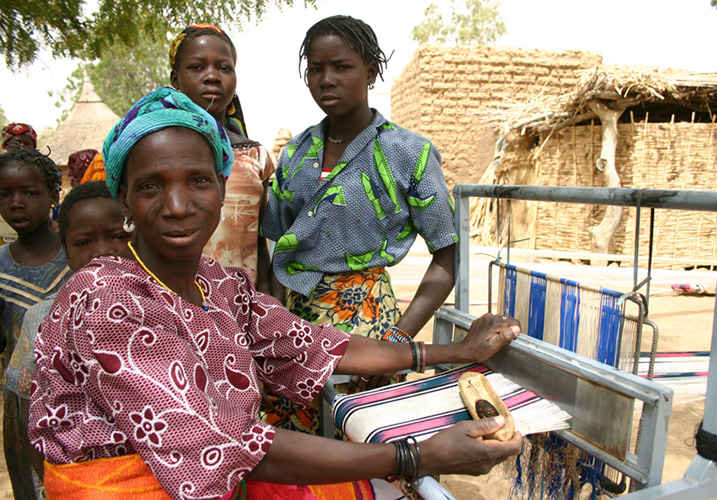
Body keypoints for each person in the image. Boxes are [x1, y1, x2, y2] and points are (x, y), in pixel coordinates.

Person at [28, 87, 522, 500]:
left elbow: (316, 344)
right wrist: (417, 456)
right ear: (125, 200)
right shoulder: (104, 297)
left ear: (222, 186)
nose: (178, 206)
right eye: (152, 186)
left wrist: (457, 351)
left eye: (198, 181)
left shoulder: (217, 284)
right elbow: (215, 444)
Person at [259, 15, 458, 434]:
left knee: (364, 450)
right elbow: (274, 245)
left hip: (371, 328)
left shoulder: (408, 153)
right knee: (302, 460)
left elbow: (446, 254)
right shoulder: (296, 153)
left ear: (370, 71)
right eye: (316, 68)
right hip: (296, 329)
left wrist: (398, 342)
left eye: (342, 67)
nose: (326, 79)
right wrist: (275, 330)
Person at [4, 181, 131, 499]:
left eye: (118, 236)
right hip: (77, 483)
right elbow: (26, 416)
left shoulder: (166, 310)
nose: (103, 251)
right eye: (84, 241)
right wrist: (46, 486)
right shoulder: (41, 319)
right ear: (68, 254)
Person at [169, 24, 275, 291]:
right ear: (175, 79)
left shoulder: (255, 155)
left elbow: (260, 246)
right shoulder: (155, 152)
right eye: (197, 67)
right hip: (175, 304)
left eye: (224, 68)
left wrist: (265, 300)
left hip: (242, 309)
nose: (212, 76)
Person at [0, 148, 72, 499]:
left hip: (77, 400)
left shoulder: (80, 253)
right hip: (21, 406)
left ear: (53, 196)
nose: (17, 203)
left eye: (30, 193)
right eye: (4, 194)